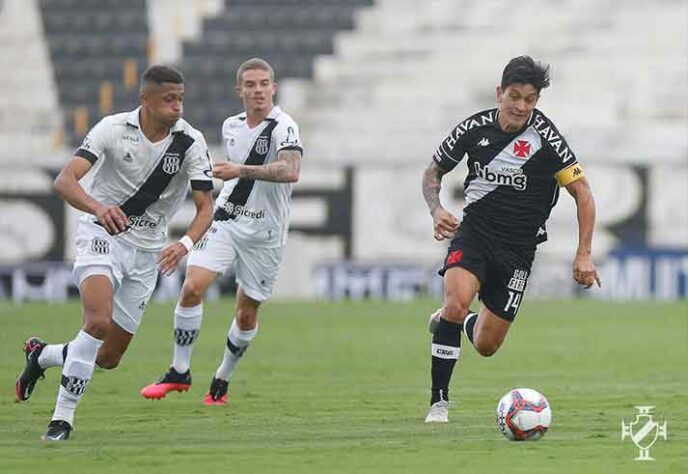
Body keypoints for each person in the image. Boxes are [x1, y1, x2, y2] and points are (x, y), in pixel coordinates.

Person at [15, 65, 214, 440]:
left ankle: (42, 355)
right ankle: (62, 420)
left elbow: (206, 208)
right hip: (101, 234)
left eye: (181, 99)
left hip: (148, 252)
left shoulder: (190, 142)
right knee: (97, 322)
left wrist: (184, 245)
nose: (177, 107)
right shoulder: (111, 128)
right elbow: (65, 180)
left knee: (107, 357)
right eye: (169, 99)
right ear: (146, 100)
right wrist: (98, 209)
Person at [421, 56, 600, 423]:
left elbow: (583, 193)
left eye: (530, 99)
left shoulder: (547, 140)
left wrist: (583, 255)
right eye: (515, 96)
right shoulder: (475, 127)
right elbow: (434, 171)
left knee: (487, 344)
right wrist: (436, 209)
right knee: (457, 303)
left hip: (518, 250)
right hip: (474, 234)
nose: (521, 106)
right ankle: (439, 403)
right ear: (499, 92)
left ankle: (454, 321)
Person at [140, 57, 302, 406]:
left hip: (265, 234)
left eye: (264, 84)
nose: (258, 90)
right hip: (227, 220)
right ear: (239, 90)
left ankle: (222, 378)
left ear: (273, 87)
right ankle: (179, 371)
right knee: (192, 287)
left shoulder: (284, 126)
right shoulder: (231, 126)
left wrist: (240, 170)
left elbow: (291, 170)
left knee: (246, 314)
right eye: (251, 84)